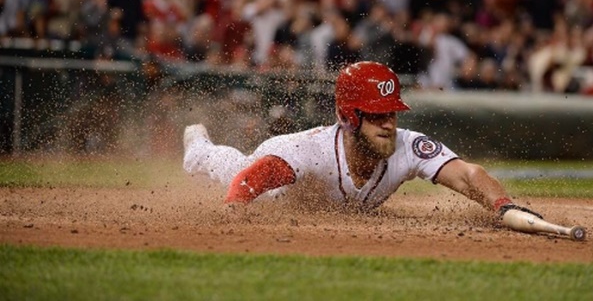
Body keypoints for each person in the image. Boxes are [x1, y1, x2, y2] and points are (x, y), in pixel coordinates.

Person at [183, 61, 542, 226]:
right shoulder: (308, 151)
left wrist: (503, 206)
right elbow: (252, 180)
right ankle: (197, 142)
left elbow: (467, 174)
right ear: (349, 116)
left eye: (392, 113)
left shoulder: (406, 146)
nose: (388, 123)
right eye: (376, 114)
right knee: (223, 163)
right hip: (272, 187)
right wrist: (233, 212)